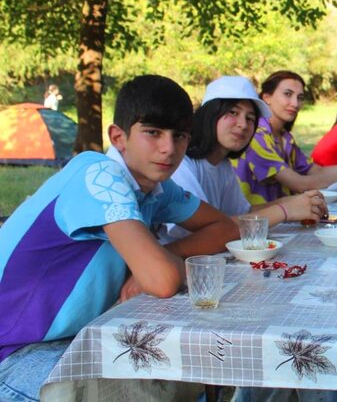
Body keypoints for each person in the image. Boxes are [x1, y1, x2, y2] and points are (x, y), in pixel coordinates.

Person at [0, 75, 239, 401]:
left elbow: (226, 229)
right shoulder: (99, 175)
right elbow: (164, 279)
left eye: (180, 136)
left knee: (189, 378)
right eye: (153, 132)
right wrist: (151, 266)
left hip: (78, 336)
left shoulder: (156, 189)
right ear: (118, 137)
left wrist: (161, 254)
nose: (169, 148)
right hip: (18, 351)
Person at [163, 76, 327, 241]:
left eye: (250, 118)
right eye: (233, 112)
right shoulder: (181, 163)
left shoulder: (222, 164)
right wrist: (284, 210)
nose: (243, 124)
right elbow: (208, 231)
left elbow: (243, 213)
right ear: (210, 114)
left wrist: (295, 201)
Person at [234, 72, 337, 206]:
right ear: (267, 97)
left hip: (281, 220)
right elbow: (299, 184)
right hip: (255, 221)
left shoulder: (284, 136)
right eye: (288, 94)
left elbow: (314, 170)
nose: (295, 103)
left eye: (300, 97)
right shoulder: (257, 135)